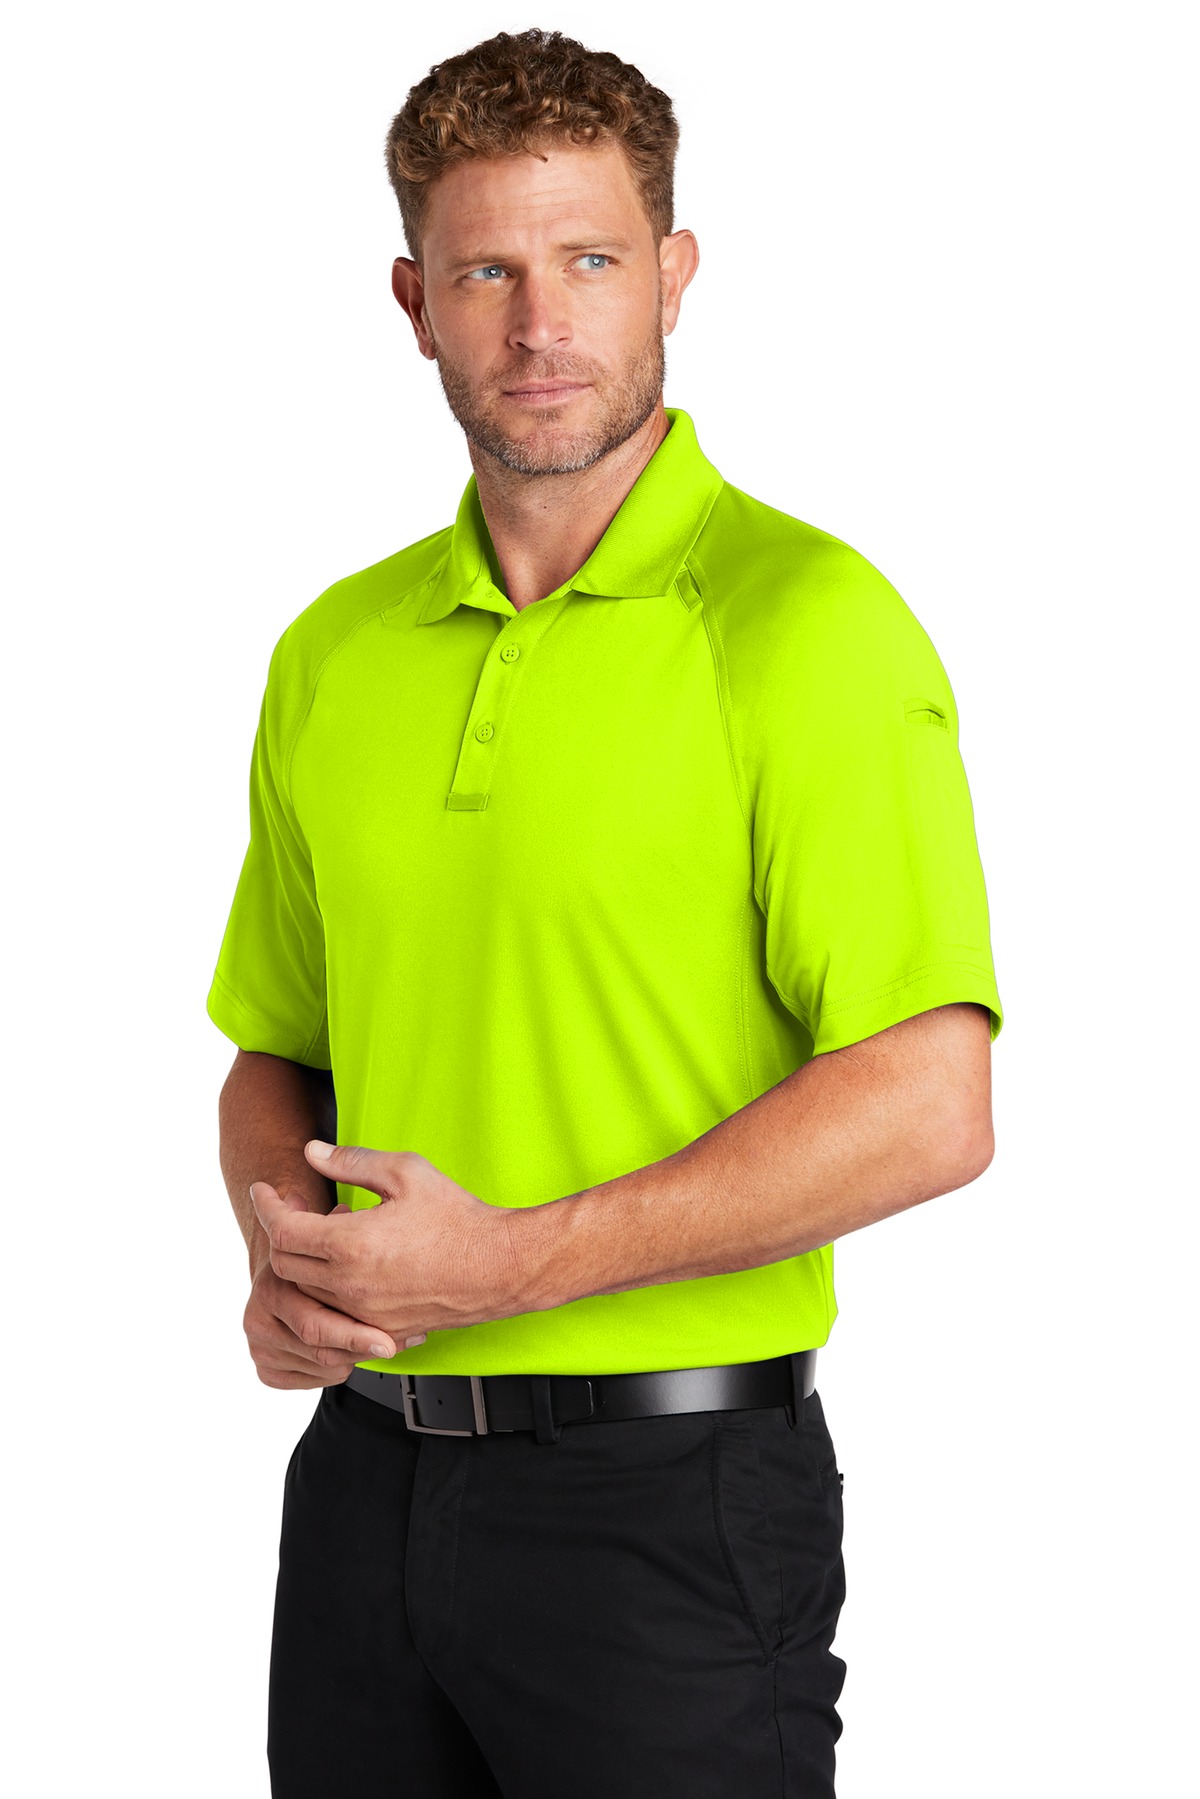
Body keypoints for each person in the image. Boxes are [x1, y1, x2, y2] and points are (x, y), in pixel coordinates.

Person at [207, 26, 1002, 1799]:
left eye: (589, 260)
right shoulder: (336, 652)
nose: (540, 325)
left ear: (675, 274)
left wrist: (510, 1262)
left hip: (669, 1510)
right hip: (361, 1491)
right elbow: (278, 1050)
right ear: (414, 302)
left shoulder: (807, 629)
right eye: (486, 271)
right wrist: (283, 1250)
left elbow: (934, 1102)